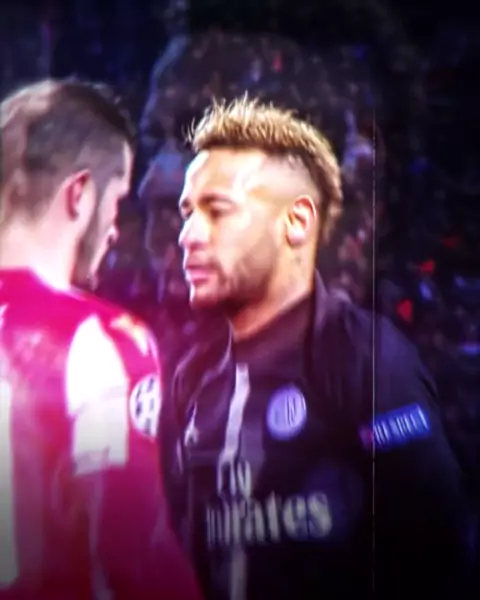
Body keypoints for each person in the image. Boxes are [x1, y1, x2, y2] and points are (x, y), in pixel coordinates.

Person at [159, 96, 473, 599]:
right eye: (187, 213)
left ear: (297, 222)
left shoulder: (366, 360)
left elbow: (438, 554)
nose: (188, 235)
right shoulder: (190, 378)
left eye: (217, 211)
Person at [0, 79, 202, 600]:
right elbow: (134, 555)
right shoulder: (98, 342)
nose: (115, 229)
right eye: (117, 200)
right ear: (80, 194)